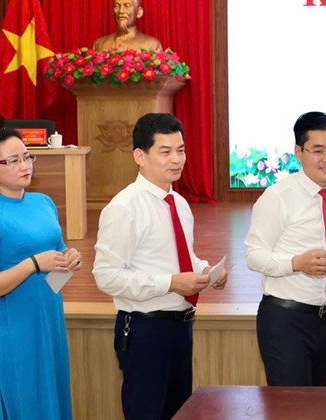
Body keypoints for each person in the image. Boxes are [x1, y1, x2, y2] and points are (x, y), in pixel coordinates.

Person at [93, 113, 227, 420]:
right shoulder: (124, 207)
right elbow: (106, 276)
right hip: (144, 330)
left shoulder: (178, 202)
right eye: (165, 151)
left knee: (178, 413)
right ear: (140, 156)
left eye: (181, 150)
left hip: (181, 327)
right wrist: (170, 283)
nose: (177, 159)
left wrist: (205, 271)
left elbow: (180, 256)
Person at [0, 127, 82, 419]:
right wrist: (31, 264)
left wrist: (71, 258)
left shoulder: (43, 202)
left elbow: (57, 251)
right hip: (14, 326)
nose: (25, 165)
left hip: (49, 315)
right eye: (13, 160)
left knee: (52, 398)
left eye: (27, 157)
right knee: (25, 403)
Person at [245, 111, 326, 386]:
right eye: (318, 151)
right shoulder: (278, 197)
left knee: (319, 402)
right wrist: (296, 263)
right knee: (292, 406)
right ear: (299, 152)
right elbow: (253, 255)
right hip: (286, 319)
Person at [93, 0, 162, 51]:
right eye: (117, 6)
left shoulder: (152, 44)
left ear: (139, 12)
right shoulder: (99, 44)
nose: (121, 11)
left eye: (127, 6)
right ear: (112, 12)